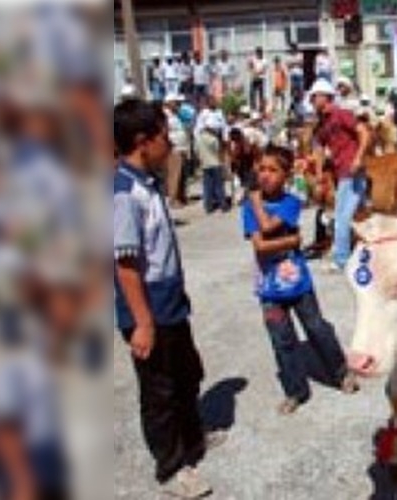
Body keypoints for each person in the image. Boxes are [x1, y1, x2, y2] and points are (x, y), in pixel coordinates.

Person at [113, 99, 220, 498]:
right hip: (149, 308)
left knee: (187, 374)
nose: (170, 144)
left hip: (170, 303)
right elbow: (125, 266)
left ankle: (193, 440)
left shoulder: (148, 183)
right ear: (143, 142)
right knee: (159, 392)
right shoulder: (124, 193)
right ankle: (171, 468)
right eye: (164, 137)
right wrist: (141, 322)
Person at [242, 146, 359, 415]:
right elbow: (259, 246)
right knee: (281, 339)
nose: (265, 176)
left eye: (273, 170)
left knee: (316, 327)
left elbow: (269, 228)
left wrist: (257, 203)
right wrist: (292, 240)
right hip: (269, 288)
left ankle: (340, 372)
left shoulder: (290, 202)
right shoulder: (249, 208)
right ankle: (296, 390)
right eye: (261, 169)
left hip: (298, 283)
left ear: (286, 175)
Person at [308, 79, 371, 272]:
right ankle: (362, 253)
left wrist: (358, 158)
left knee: (342, 216)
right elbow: (318, 149)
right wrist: (318, 175)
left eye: (314, 96)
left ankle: (341, 259)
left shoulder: (341, 114)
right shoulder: (321, 125)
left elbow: (364, 133)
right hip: (341, 172)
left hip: (350, 171)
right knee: (356, 215)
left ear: (325, 97)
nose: (311, 100)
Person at [195, 97, 230, 214]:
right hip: (206, 141)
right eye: (211, 101)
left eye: (215, 101)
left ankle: (221, 203)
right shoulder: (203, 114)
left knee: (216, 178)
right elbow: (198, 129)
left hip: (217, 139)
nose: (214, 103)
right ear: (208, 103)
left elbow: (224, 128)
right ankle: (210, 205)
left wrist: (225, 140)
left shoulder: (220, 113)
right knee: (211, 180)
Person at [163, 93, 190, 207]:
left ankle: (181, 197)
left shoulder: (176, 115)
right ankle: (172, 199)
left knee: (182, 175)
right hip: (174, 149)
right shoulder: (165, 115)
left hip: (181, 148)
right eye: (176, 102)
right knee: (174, 175)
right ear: (169, 103)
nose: (178, 105)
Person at [248, 47, 268, 112]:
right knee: (252, 94)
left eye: (260, 52)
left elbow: (263, 70)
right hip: (254, 79)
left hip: (261, 79)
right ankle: (253, 108)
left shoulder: (264, 60)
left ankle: (261, 109)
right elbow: (249, 67)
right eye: (257, 52)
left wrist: (256, 72)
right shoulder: (253, 59)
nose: (259, 54)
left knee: (261, 95)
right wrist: (250, 65)